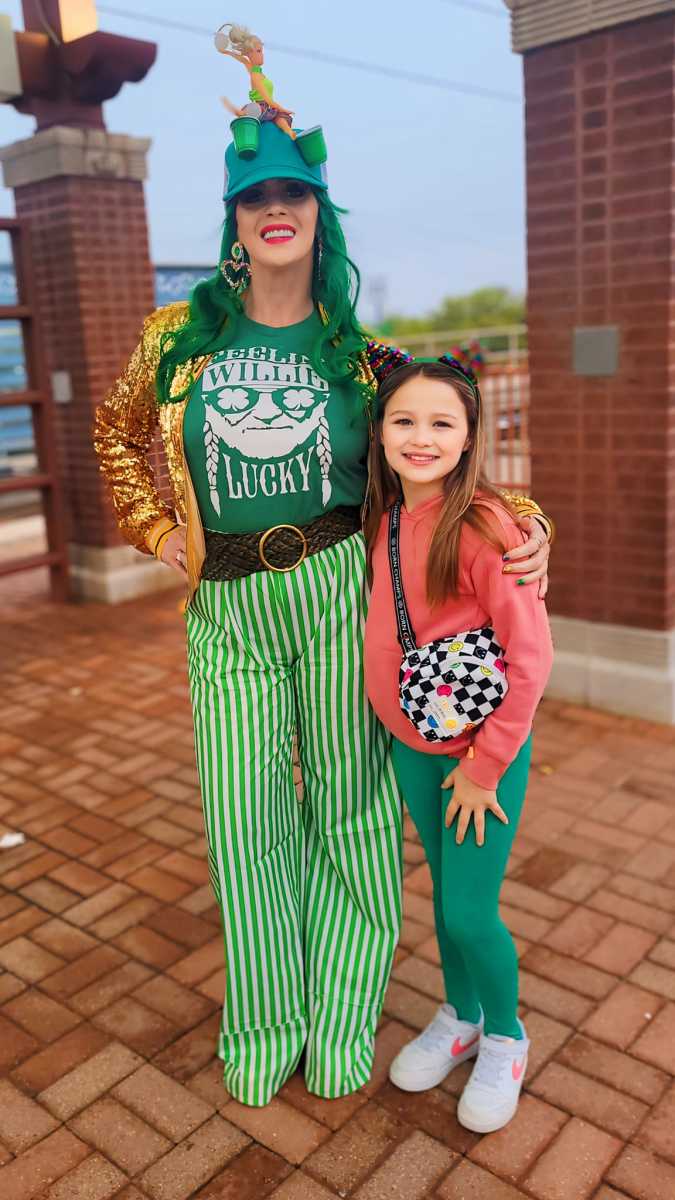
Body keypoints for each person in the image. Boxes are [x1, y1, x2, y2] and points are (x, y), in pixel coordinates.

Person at [94, 112, 552, 1108]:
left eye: (290, 194)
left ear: (317, 212)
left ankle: (345, 1017)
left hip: (342, 593)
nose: (272, 211)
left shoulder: (362, 354)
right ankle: (265, 1020)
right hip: (229, 601)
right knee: (242, 819)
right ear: (233, 218)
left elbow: (444, 444)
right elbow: (118, 439)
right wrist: (161, 532)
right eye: (253, 197)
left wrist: (526, 522)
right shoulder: (176, 337)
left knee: (350, 813)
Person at [363, 358, 553, 1133]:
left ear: (470, 435)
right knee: (444, 900)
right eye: (403, 419)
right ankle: (462, 1014)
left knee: (472, 914)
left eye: (442, 422)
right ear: (377, 431)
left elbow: (529, 658)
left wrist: (483, 768)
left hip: (479, 759)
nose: (420, 437)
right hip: (412, 744)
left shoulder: (483, 525)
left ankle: (506, 1037)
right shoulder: (380, 517)